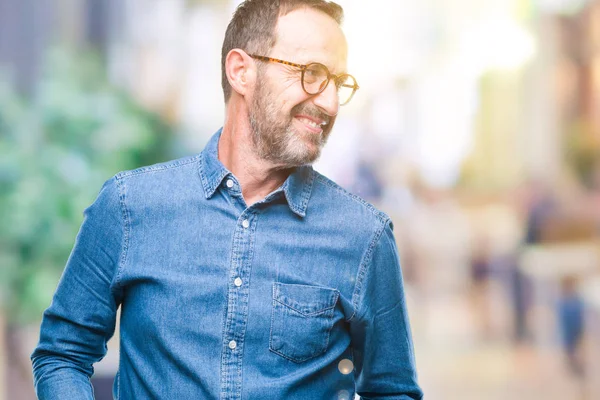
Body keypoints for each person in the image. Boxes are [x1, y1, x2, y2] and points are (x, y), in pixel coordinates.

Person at [31, 1, 423, 399]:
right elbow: (63, 353)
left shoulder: (363, 237)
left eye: (338, 83)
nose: (330, 103)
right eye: (312, 74)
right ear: (241, 71)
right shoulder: (129, 206)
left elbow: (392, 390)